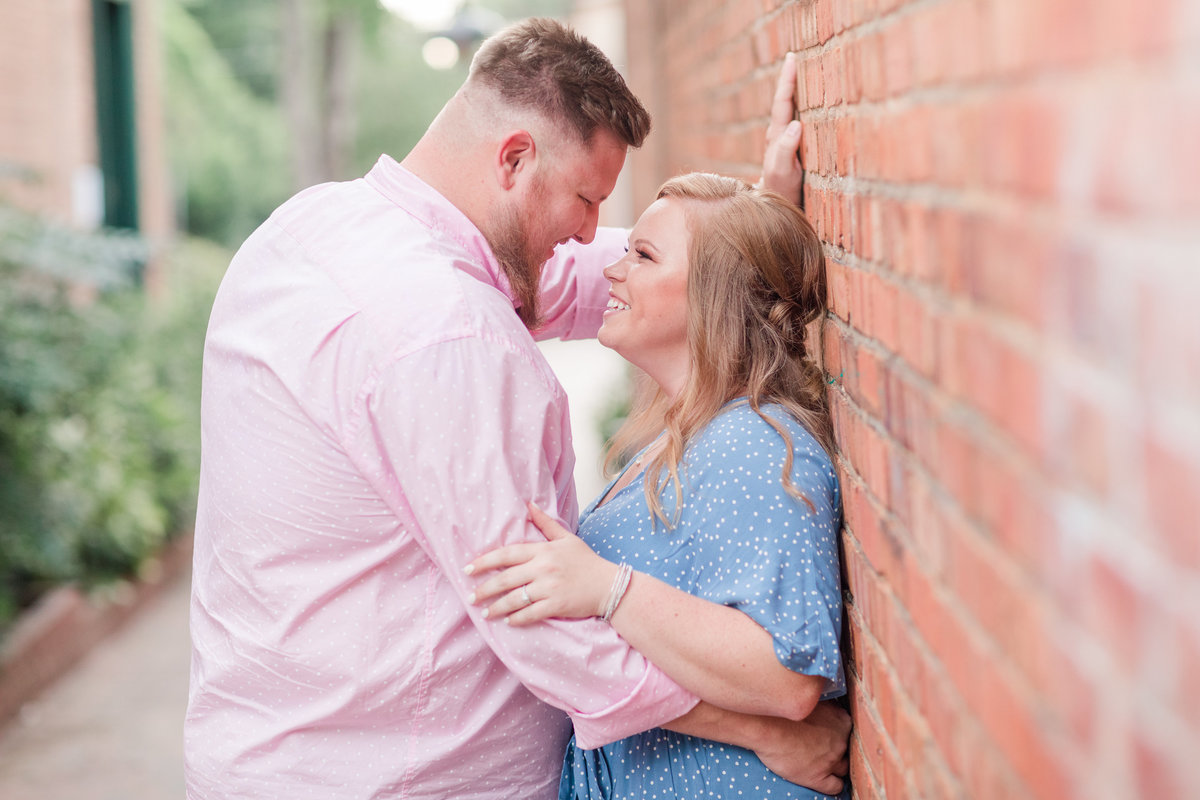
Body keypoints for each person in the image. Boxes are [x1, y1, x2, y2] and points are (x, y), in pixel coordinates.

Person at [184, 16, 846, 800]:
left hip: (262, 756)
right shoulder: (445, 330)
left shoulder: (314, 231)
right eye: (584, 199)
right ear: (514, 158)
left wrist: (746, 245)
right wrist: (762, 730)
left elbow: (578, 283)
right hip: (398, 780)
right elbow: (540, 616)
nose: (590, 233)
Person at [466, 172, 846, 799]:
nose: (612, 271)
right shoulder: (683, 440)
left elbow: (788, 673)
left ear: (714, 295)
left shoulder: (755, 443)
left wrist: (607, 589)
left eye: (643, 256)